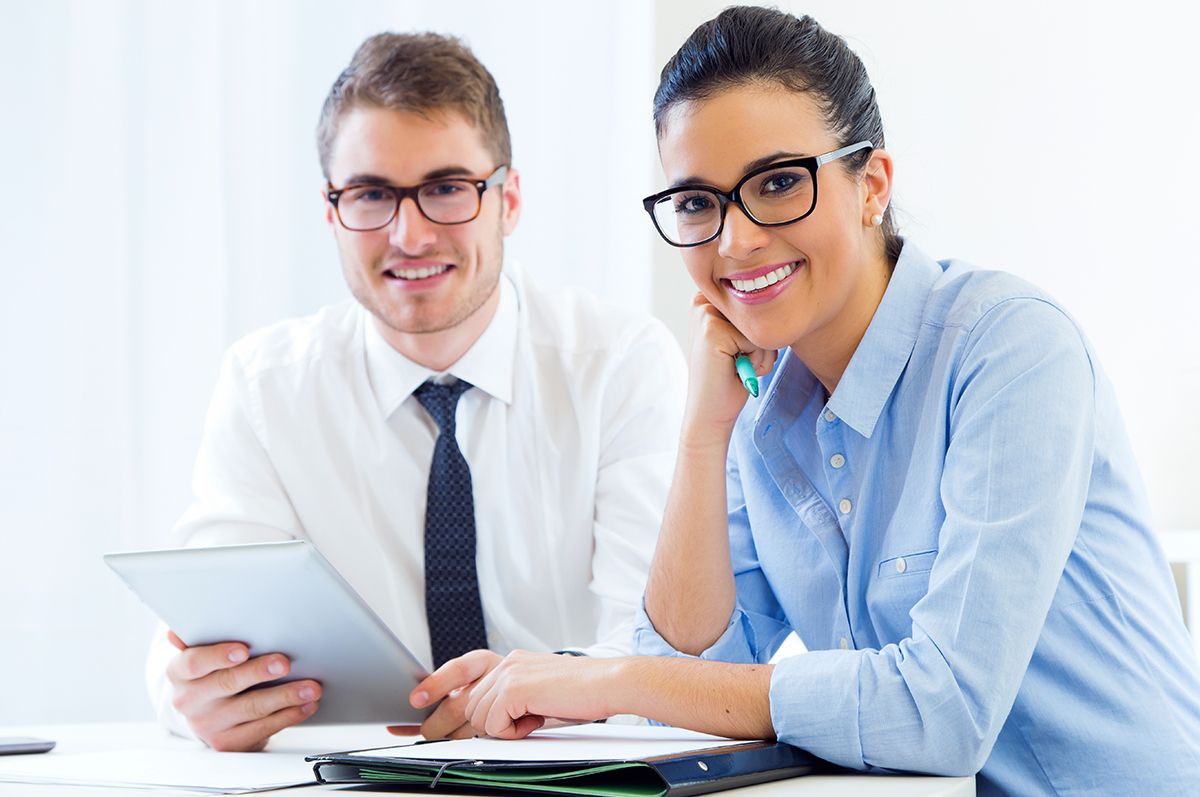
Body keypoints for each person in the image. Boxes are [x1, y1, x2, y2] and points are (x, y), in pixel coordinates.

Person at [428, 7, 1200, 795]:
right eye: (697, 202)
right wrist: (704, 431)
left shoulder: (1011, 349)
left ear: (872, 186)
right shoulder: (759, 407)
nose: (736, 241)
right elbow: (688, 686)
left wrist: (614, 680)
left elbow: (944, 710)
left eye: (778, 183)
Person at [145, 32, 686, 752]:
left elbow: (653, 644)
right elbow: (207, 617)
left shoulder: (621, 364)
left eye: (445, 189)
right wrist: (189, 695)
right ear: (332, 211)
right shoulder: (265, 386)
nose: (410, 233)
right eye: (371, 194)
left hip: (565, 766)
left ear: (509, 199)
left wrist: (547, 694)